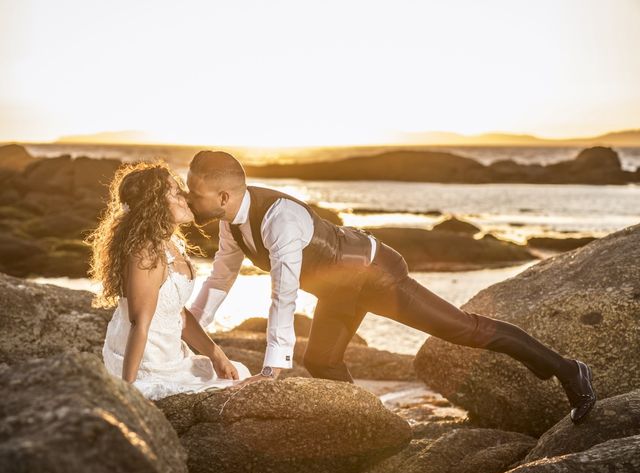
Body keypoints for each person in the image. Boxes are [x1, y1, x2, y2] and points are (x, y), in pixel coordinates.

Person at [184, 150, 596, 424]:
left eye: (195, 193)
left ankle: (568, 370)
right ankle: (371, 424)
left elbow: (283, 294)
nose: (188, 200)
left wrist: (273, 368)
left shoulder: (280, 218)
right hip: (339, 289)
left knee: (463, 330)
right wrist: (191, 334)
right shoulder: (228, 224)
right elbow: (221, 278)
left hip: (376, 274)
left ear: (222, 195)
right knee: (323, 360)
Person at [89, 161, 251, 401]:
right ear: (155, 206)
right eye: (176, 192)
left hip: (170, 355)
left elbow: (178, 314)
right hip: (146, 361)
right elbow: (139, 323)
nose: (185, 196)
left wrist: (217, 355)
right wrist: (128, 391)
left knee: (238, 375)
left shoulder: (171, 244)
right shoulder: (145, 252)